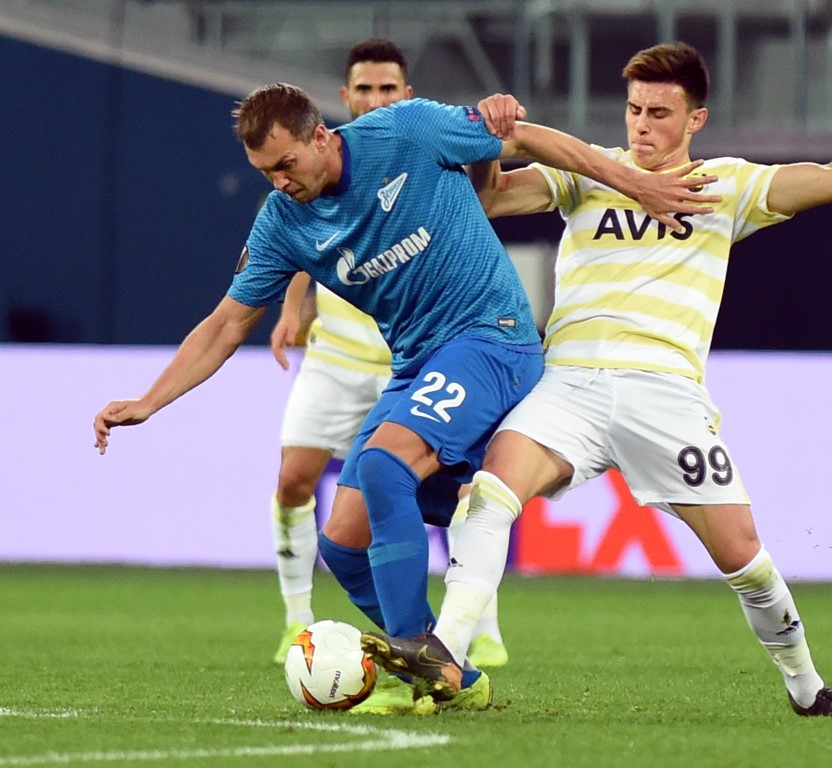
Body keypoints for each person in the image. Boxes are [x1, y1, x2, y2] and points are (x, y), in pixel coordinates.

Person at [93, 80, 718, 714]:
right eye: (265, 172)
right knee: (342, 543)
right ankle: (453, 674)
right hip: (417, 365)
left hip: (491, 337)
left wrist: (633, 184)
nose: (280, 182)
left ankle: (420, 656)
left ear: (320, 136)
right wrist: (149, 401)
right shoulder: (283, 222)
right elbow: (227, 324)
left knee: (384, 467)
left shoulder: (405, 132)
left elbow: (521, 138)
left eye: (286, 164)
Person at [361, 39, 832, 719]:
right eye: (634, 109)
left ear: (696, 119)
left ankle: (809, 690)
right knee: (489, 494)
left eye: (660, 113)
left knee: (744, 558)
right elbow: (487, 199)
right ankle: (445, 655)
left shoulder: (725, 185)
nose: (642, 125)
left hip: (664, 393)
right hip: (569, 383)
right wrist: (489, 142)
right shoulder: (589, 172)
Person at [267, 38, 510, 676]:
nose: (375, 99)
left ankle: (472, 629)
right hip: (340, 358)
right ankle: (298, 615)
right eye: (364, 89)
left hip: (427, 352)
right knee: (301, 487)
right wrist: (293, 308)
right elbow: (307, 246)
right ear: (344, 98)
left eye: (387, 89)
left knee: (431, 484)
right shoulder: (306, 179)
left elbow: (487, 187)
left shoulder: (412, 141)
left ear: (405, 93)